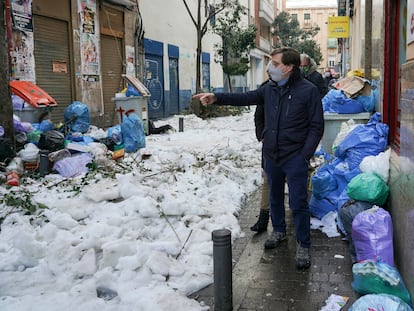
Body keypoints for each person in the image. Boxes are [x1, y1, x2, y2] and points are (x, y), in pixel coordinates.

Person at [193, 47, 324, 269]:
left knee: (298, 202)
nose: (270, 66)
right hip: (272, 155)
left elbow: (316, 126)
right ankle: (279, 231)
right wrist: (216, 97)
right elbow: (244, 97)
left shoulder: (308, 91)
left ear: (289, 67)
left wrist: (305, 155)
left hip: (295, 157)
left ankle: (303, 243)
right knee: (274, 196)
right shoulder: (268, 89)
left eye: (275, 63)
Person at [250, 103, 270, 233]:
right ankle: (263, 217)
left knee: (293, 182)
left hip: (294, 147)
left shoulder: (302, 88)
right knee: (268, 182)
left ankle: (293, 214)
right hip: (270, 146)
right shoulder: (267, 89)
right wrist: (261, 135)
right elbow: (259, 116)